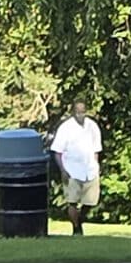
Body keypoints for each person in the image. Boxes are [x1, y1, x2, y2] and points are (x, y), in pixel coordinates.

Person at [49, 98, 103, 234]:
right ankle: (76, 228)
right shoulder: (65, 128)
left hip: (89, 169)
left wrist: (96, 166)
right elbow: (57, 152)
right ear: (73, 112)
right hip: (72, 169)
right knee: (72, 201)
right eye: (78, 112)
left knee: (90, 201)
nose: (81, 115)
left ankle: (80, 219)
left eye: (83, 112)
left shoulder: (92, 126)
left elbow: (96, 149)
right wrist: (63, 170)